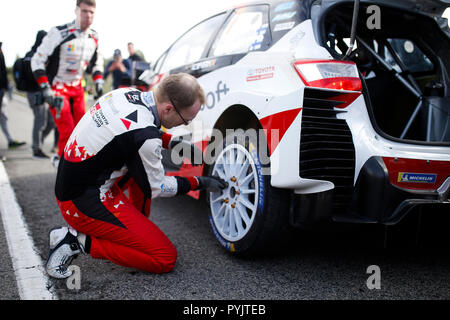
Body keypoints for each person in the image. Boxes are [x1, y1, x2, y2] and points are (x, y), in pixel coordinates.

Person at [45, 73, 227, 279]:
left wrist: (172, 142)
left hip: (77, 182)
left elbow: (131, 132)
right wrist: (199, 182)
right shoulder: (145, 137)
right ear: (168, 109)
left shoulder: (126, 93)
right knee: (164, 257)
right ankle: (75, 242)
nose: (184, 124)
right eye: (186, 120)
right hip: (81, 202)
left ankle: (133, 231)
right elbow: (157, 187)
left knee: (140, 165)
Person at [31, 0, 104, 162]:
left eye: (92, 12)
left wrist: (98, 81)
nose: (88, 16)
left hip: (77, 88)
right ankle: (63, 164)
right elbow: (37, 60)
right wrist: (45, 87)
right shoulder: (59, 32)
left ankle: (75, 163)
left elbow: (97, 63)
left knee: (82, 130)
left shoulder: (94, 37)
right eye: (84, 11)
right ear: (76, 11)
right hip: (57, 87)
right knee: (67, 130)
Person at [25, 30, 56, 158]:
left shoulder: (45, 55)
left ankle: (37, 143)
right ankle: (36, 150)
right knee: (40, 121)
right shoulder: (32, 56)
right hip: (35, 93)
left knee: (51, 121)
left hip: (44, 93)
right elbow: (31, 76)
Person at [0, 42, 26, 151]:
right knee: (2, 117)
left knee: (3, 117)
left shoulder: (1, 54)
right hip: (0, 88)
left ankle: (10, 140)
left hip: (1, 89)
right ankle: (10, 140)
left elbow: (3, 72)